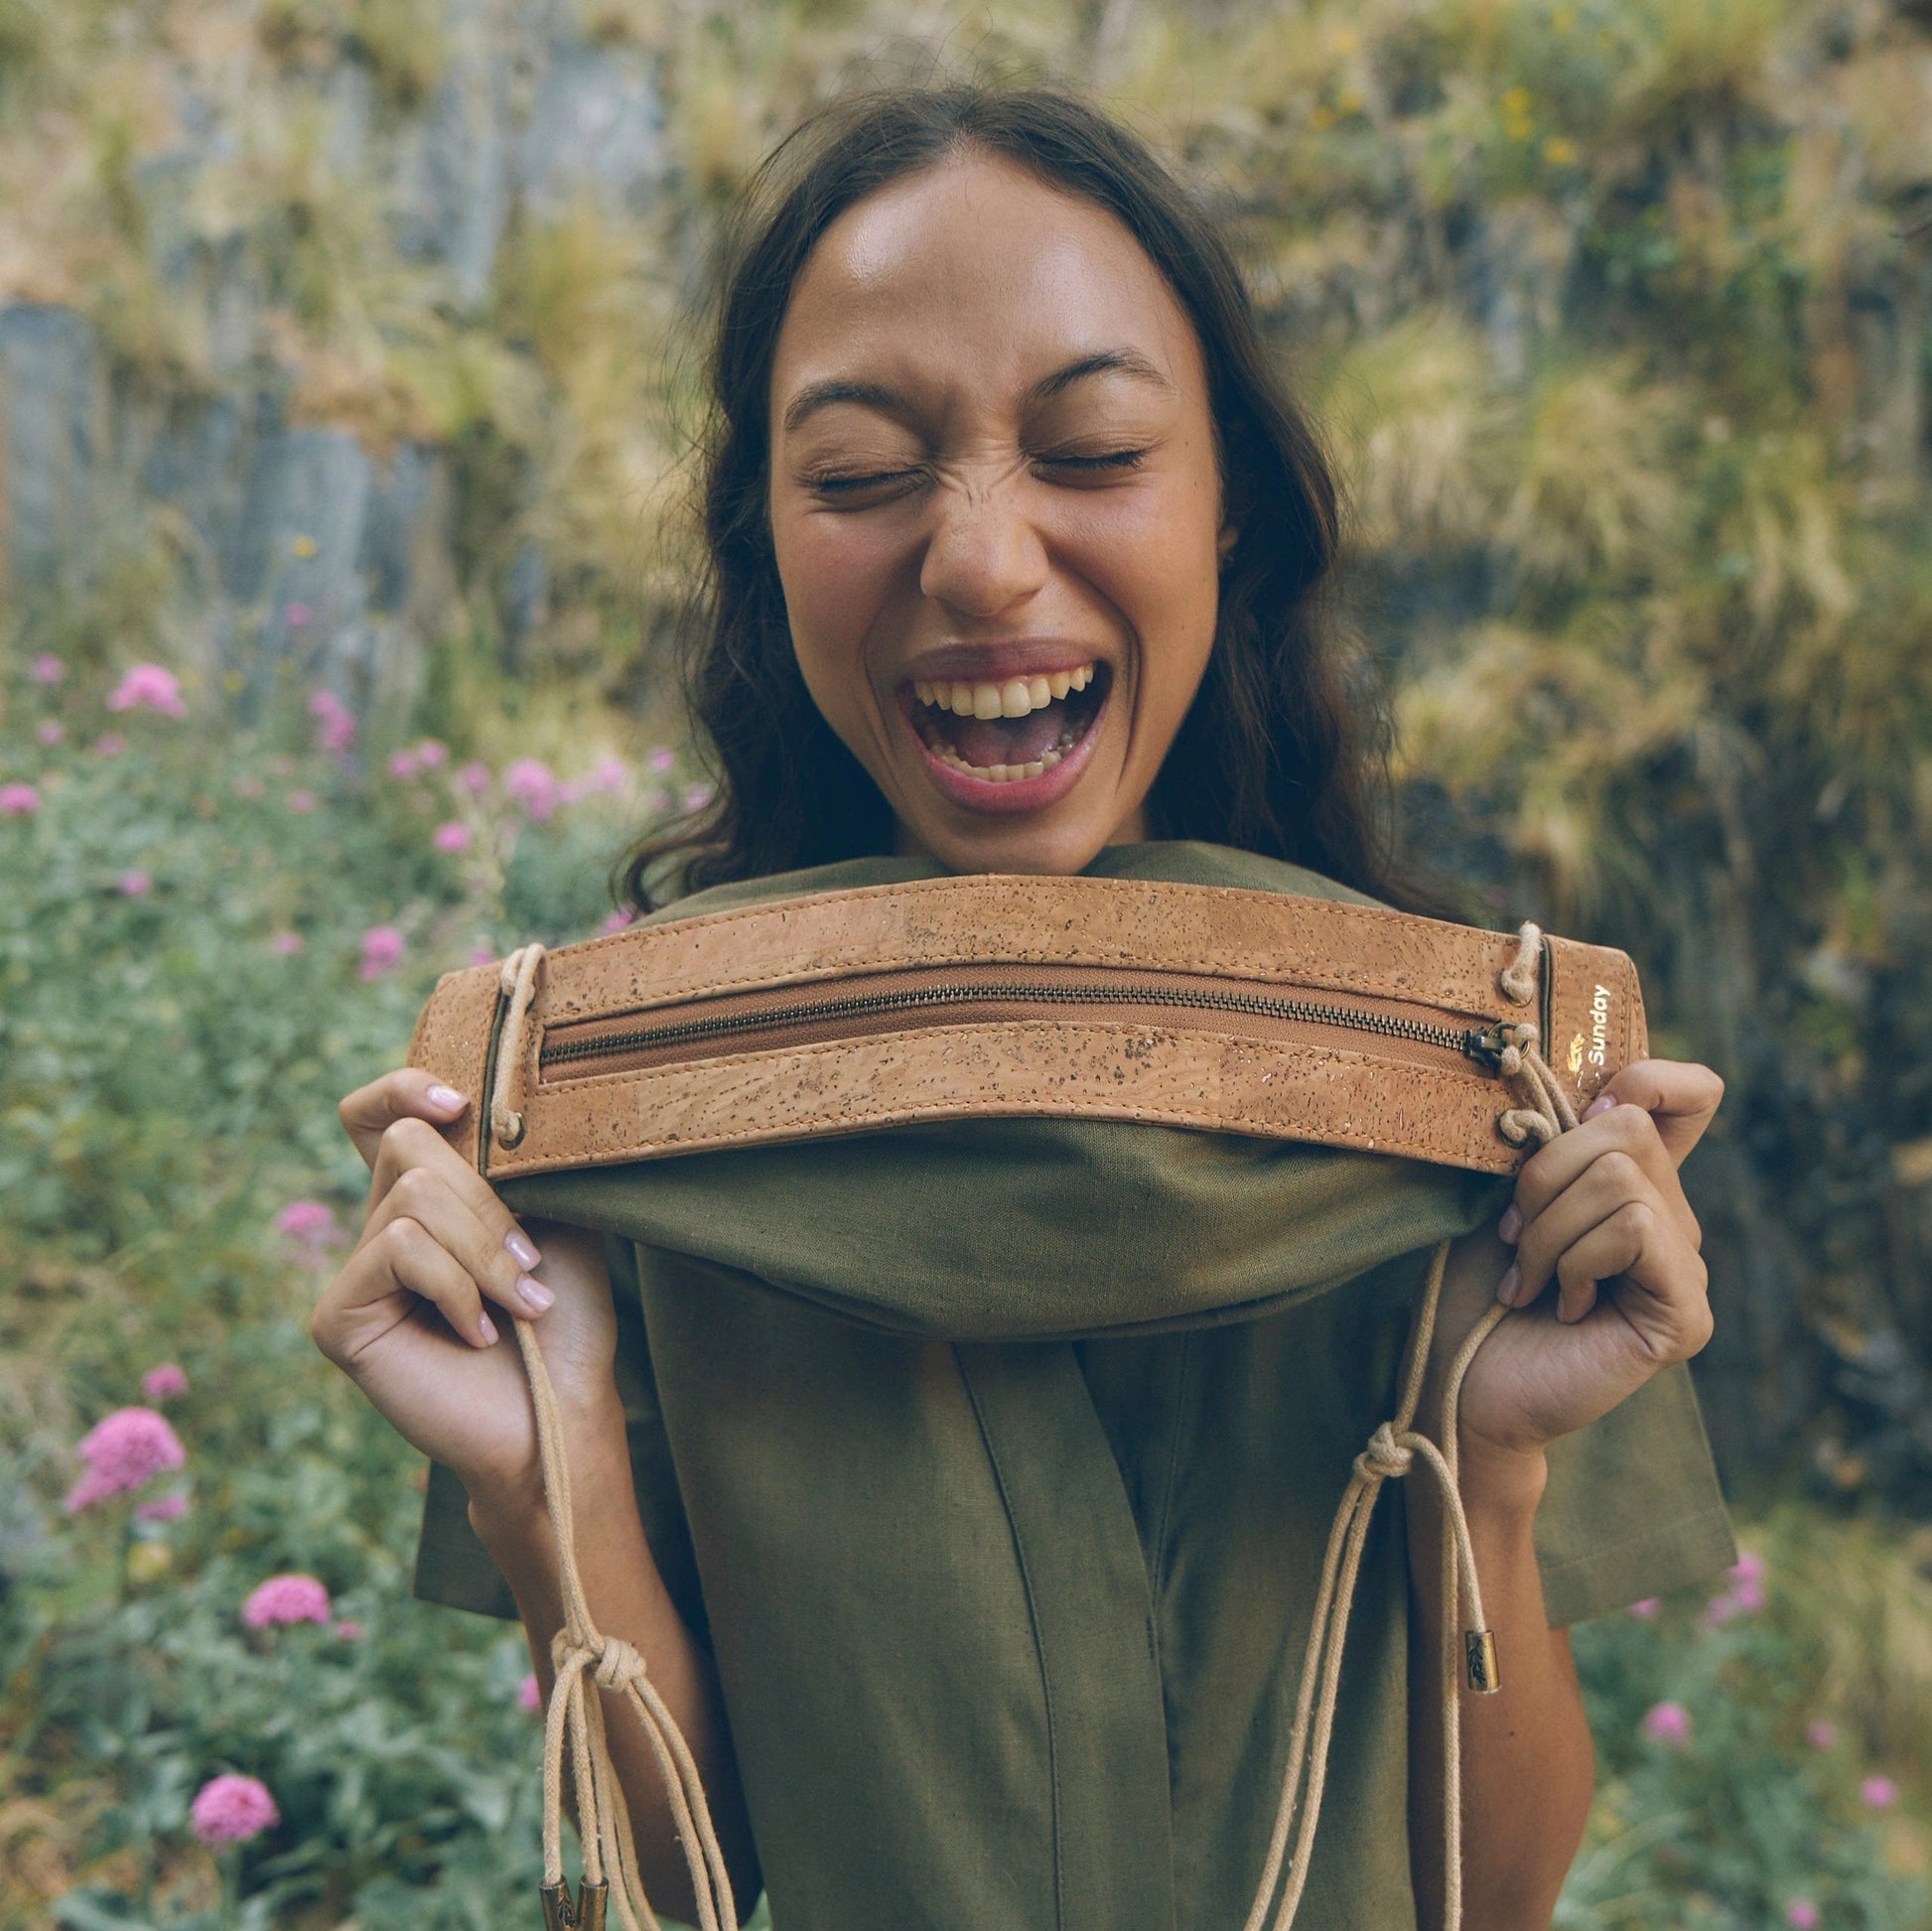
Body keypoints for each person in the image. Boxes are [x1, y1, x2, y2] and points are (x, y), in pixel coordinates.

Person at [312, 86, 1732, 1931]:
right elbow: (656, 1906)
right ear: (765, 544)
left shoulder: (1467, 1100)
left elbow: (1507, 1893)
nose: (980, 561)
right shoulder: (602, 1123)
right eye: (858, 472)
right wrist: (545, 1468)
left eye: (1090, 449)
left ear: (1230, 511)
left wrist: (1494, 1456)